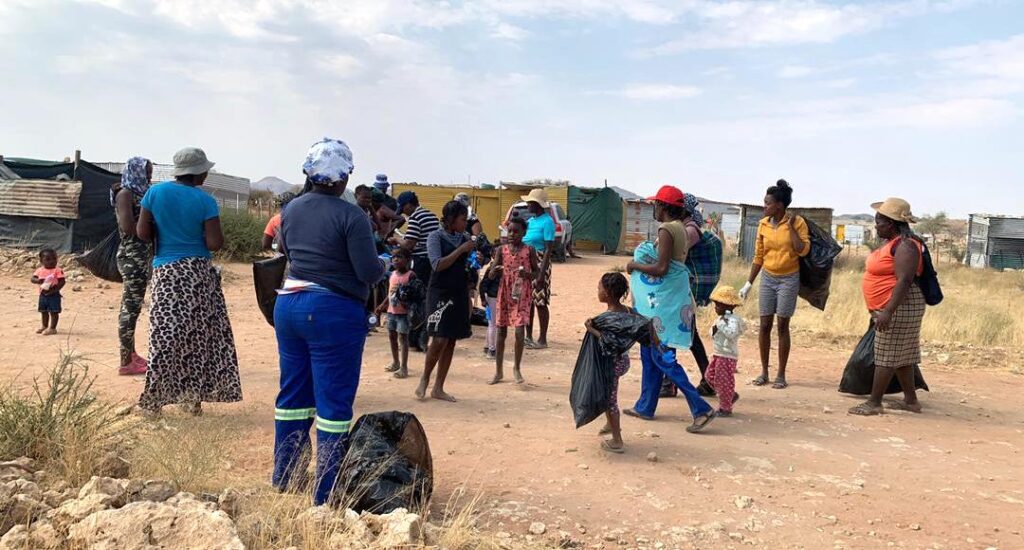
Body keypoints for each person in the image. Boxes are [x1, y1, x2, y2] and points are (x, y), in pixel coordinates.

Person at [271, 138, 387, 505]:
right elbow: (368, 271)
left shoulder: (290, 210)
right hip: (332, 312)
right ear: (342, 178)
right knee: (333, 405)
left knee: (293, 396)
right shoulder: (351, 215)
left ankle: (284, 478)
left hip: (288, 306)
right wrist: (386, 263)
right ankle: (326, 493)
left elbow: (287, 252)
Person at [136, 147, 241, 418]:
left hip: (166, 272)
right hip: (196, 273)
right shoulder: (205, 201)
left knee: (164, 335)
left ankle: (153, 402)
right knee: (196, 336)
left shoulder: (154, 193)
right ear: (200, 173)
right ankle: (190, 400)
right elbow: (215, 243)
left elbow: (142, 233)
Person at [624, 185, 716, 433]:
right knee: (650, 355)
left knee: (663, 358)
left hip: (661, 306)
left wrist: (635, 264)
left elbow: (662, 268)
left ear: (664, 207)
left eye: (656, 204)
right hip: (669, 303)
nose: (653, 208)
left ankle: (701, 409)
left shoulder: (667, 229)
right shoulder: (682, 229)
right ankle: (645, 406)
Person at [849, 198, 926, 416]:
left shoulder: (906, 246)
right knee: (902, 355)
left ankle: (874, 403)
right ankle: (911, 401)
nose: (876, 225)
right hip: (896, 305)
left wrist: (888, 312)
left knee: (886, 355)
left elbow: (904, 281)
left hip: (899, 305)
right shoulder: (897, 243)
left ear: (891, 223)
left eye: (879, 222)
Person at [739, 179, 809, 390]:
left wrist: (791, 228)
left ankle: (781, 374)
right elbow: (759, 256)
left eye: (767, 203)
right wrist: (748, 283)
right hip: (768, 278)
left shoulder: (798, 223)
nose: (764, 206)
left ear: (779, 205)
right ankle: (764, 372)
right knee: (764, 325)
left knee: (782, 327)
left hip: (789, 278)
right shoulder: (763, 225)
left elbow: (802, 250)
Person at [415, 200, 476, 402]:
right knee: (439, 337)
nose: (464, 223)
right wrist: (460, 250)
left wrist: (477, 254)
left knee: (450, 340)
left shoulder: (464, 237)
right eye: (461, 219)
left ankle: (438, 387)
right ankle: (425, 378)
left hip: (458, 291)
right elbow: (437, 264)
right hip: (440, 291)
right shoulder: (435, 237)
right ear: (450, 219)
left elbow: (470, 263)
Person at [660, 192, 717, 398]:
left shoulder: (688, 230)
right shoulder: (687, 227)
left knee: (673, 334)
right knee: (689, 336)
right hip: (682, 289)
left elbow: (667, 257)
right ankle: (709, 379)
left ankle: (670, 383)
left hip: (681, 290)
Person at [584, 273, 645, 454]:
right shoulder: (628, 311)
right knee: (607, 394)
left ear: (608, 293)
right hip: (623, 361)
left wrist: (591, 329)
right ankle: (610, 423)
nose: (598, 291)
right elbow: (645, 323)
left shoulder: (608, 318)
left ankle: (617, 440)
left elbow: (608, 341)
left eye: (599, 289)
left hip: (613, 364)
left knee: (610, 400)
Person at [111, 156, 154, 375]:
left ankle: (130, 355)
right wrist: (150, 226)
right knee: (130, 310)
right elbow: (128, 228)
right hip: (131, 259)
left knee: (133, 309)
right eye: (146, 173)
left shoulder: (138, 194)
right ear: (135, 172)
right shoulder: (125, 194)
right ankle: (126, 360)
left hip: (140, 258)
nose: (149, 177)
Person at [488, 217, 538, 385]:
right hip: (505, 292)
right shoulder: (501, 250)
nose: (511, 234)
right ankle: (498, 371)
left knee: (518, 331)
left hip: (522, 293)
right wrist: (494, 272)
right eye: (509, 231)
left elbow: (537, 273)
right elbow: (492, 271)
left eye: (516, 231)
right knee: (501, 331)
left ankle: (516, 368)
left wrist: (527, 275)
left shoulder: (529, 250)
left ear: (524, 233)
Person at [398, 191, 440, 351]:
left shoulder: (416, 218)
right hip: (433, 262)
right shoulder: (430, 215)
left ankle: (416, 339)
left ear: (409, 204)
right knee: (428, 299)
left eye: (403, 208)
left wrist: (396, 240)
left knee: (416, 300)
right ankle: (424, 337)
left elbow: (409, 244)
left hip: (421, 262)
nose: (404, 212)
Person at [704, 285, 746, 417]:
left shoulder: (733, 320)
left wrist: (721, 325)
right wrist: (715, 329)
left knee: (723, 380)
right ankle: (729, 394)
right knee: (709, 376)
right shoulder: (720, 319)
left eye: (718, 306)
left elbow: (732, 334)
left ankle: (725, 407)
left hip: (727, 355)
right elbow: (712, 333)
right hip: (718, 353)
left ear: (729, 306)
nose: (715, 308)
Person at [522, 188, 555, 349]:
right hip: (528, 262)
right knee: (528, 301)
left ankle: (542, 338)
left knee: (540, 302)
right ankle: (528, 336)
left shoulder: (547, 221)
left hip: (541, 262)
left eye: (530, 202)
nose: (528, 205)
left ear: (538, 205)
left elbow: (549, 248)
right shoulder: (531, 221)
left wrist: (541, 274)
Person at [377, 248, 415, 379]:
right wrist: (383, 304)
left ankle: (404, 367)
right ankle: (395, 362)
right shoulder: (392, 274)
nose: (396, 259)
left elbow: (416, 293)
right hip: (391, 312)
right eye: (393, 257)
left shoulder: (410, 275)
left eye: (399, 257)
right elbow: (390, 293)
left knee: (403, 339)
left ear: (408, 260)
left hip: (403, 313)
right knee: (392, 337)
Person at [31, 248, 65, 336]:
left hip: (54, 294)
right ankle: (44, 326)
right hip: (43, 294)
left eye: (54, 259)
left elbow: (62, 281)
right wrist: (38, 280)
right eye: (48, 259)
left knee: (54, 312)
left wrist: (55, 289)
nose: (52, 261)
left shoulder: (57, 270)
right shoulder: (40, 270)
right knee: (43, 311)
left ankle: (53, 328)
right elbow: (32, 279)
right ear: (41, 261)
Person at [479, 250, 501, 358]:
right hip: (493, 298)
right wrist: (483, 298)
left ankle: (487, 346)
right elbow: (482, 285)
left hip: (491, 297)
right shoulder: (494, 269)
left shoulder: (496, 268)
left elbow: (482, 285)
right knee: (494, 324)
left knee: (491, 323)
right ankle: (492, 350)